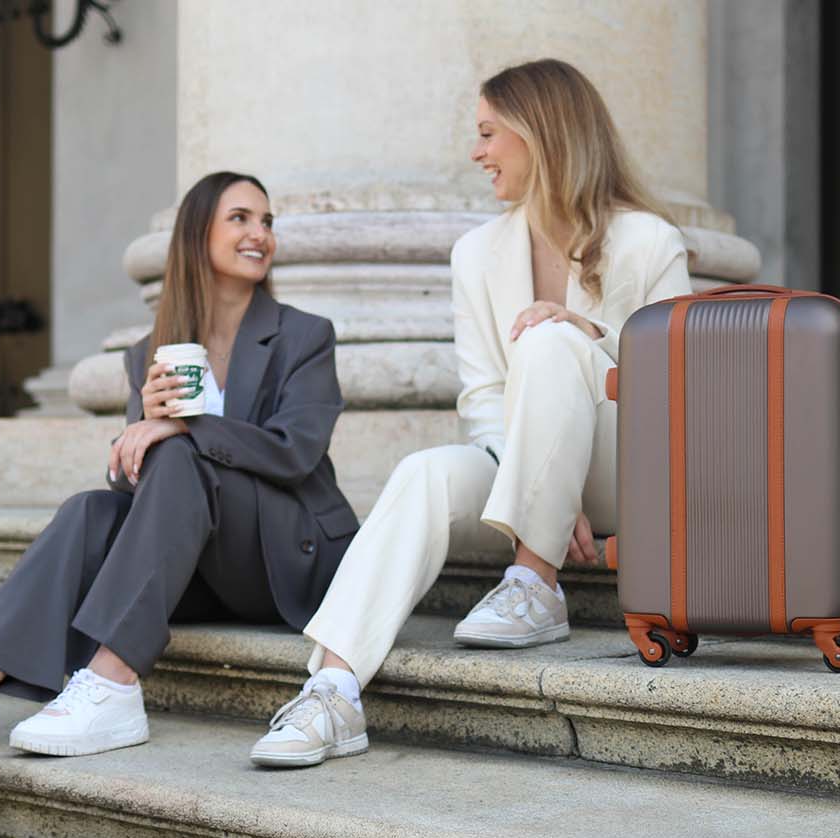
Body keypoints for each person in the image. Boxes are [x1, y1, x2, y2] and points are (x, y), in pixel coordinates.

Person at [248, 58, 693, 768]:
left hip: (624, 471)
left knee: (549, 335)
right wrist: (547, 478)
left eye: (489, 134)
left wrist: (580, 341)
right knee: (423, 472)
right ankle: (332, 690)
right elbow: (483, 396)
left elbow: (679, 396)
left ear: (540, 133)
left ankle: (535, 584)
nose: (476, 152)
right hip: (519, 470)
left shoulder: (649, 242)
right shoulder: (475, 253)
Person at [0, 171, 357, 760]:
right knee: (90, 508)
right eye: (240, 218)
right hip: (202, 568)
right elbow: (135, 479)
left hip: (289, 554)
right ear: (197, 235)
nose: (259, 233)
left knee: (181, 452)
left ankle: (111, 680)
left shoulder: (304, 336)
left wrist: (187, 426)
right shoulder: (151, 352)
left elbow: (296, 451)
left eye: (266, 222)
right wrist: (142, 436)